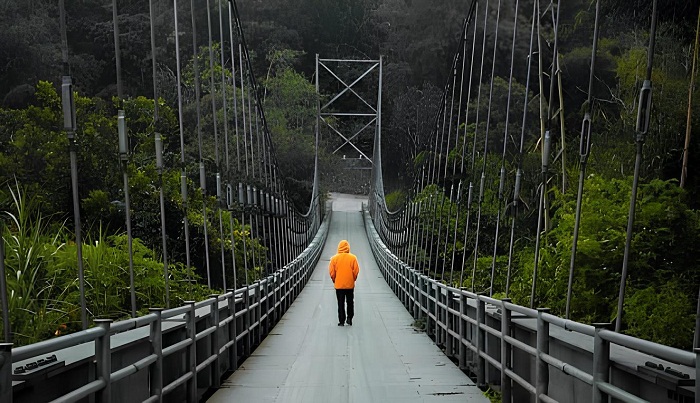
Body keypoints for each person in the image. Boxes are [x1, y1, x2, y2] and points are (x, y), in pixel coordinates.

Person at [329, 239, 360, 326]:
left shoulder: (334, 259)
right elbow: (356, 271)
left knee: (340, 303)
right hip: (349, 285)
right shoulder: (353, 258)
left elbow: (331, 272)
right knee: (350, 302)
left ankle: (341, 320)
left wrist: (334, 279)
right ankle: (349, 318)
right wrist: (353, 279)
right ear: (348, 247)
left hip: (339, 285)